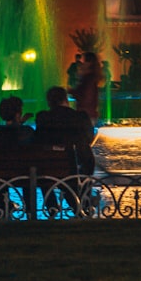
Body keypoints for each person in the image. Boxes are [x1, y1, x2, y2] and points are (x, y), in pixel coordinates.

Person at [35, 86, 95, 214]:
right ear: (65, 99)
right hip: (79, 166)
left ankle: (52, 207)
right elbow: (90, 138)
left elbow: (38, 140)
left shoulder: (43, 117)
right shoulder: (81, 116)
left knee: (44, 170)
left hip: (51, 168)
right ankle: (84, 205)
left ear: (49, 102)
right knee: (85, 156)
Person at [71, 51, 102, 124]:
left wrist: (72, 91)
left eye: (82, 62)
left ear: (89, 63)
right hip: (87, 115)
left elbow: (86, 98)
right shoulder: (89, 78)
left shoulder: (88, 80)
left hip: (86, 116)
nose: (79, 64)